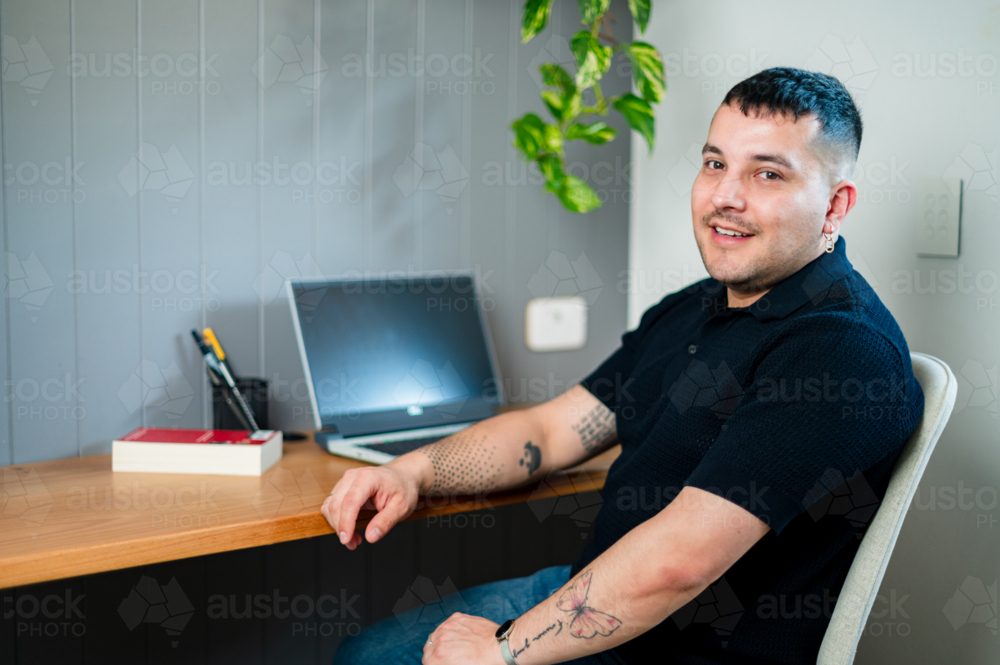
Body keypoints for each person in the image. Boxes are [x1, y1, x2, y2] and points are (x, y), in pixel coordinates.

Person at [323, 67, 925, 665]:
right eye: (715, 163)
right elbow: (552, 431)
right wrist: (413, 473)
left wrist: (501, 652)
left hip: (679, 648)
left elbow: (679, 561)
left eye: (767, 174)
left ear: (835, 205)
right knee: (364, 653)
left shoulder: (840, 350)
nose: (725, 196)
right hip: (594, 593)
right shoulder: (695, 308)